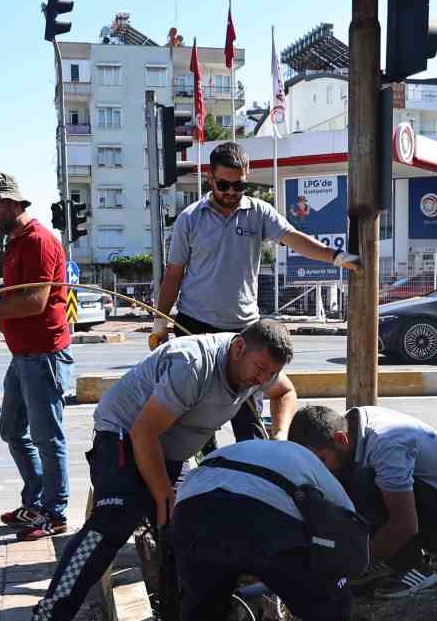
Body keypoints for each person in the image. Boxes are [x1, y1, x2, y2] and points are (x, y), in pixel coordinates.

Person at [18, 321, 299, 621]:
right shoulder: (193, 366)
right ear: (239, 348)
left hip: (169, 449)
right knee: (115, 518)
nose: (261, 380)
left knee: (188, 527)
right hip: (123, 434)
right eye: (259, 370)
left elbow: (286, 393)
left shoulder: (259, 365)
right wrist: (162, 491)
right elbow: (143, 433)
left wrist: (281, 435)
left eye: (269, 373)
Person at [150, 141, 358, 444]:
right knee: (194, 418)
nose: (232, 193)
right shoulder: (190, 218)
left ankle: (255, 477)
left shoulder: (258, 213)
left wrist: (337, 257)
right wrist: (160, 324)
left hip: (243, 331)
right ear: (210, 178)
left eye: (240, 186)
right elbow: (173, 274)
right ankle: (206, 479)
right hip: (195, 327)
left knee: (248, 420)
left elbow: (294, 238)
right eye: (224, 185)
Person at [169, 438, 356, 621]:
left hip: (193, 507)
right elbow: (347, 526)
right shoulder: (315, 468)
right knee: (329, 615)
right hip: (264, 516)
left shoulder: (248, 450)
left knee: (203, 613)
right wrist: (330, 583)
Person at [0, 172, 73, 541]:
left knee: (47, 437)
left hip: (44, 357)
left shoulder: (38, 241)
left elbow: (34, 301)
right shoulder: (16, 243)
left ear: (13, 203)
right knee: (11, 430)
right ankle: (36, 501)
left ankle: (55, 512)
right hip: (23, 356)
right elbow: (15, 298)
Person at [287, 404, 437, 599]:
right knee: (340, 483)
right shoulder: (342, 428)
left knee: (363, 483)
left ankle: (415, 567)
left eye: (322, 460)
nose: (320, 468)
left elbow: (405, 524)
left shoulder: (386, 444)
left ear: (340, 440)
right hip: (422, 501)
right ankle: (377, 557)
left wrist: (355, 565)